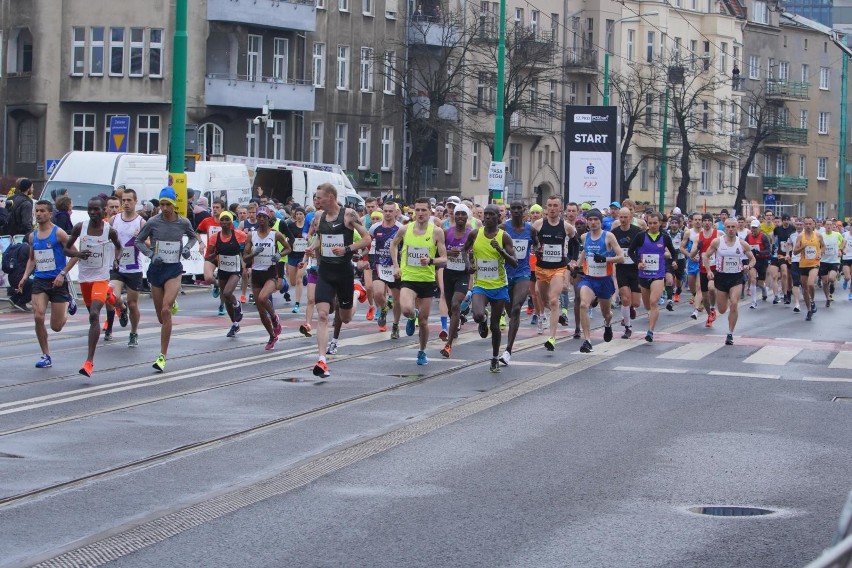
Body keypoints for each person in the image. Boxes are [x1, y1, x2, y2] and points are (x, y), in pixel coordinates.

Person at [306, 184, 372, 377]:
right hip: (325, 272)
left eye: (320, 197)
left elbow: (367, 239)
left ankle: (355, 292)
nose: (317, 201)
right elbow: (320, 238)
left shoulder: (348, 215)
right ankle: (321, 359)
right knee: (323, 315)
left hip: (344, 272)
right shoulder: (319, 217)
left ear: (331, 197)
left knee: (345, 318)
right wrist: (312, 247)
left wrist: (347, 248)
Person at [134, 187, 198, 372]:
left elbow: (193, 238)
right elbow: (139, 241)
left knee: (166, 309)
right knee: (161, 318)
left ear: (174, 204)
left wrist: (186, 249)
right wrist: (150, 254)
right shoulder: (153, 222)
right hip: (156, 270)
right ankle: (171, 301)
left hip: (173, 270)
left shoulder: (183, 222)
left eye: (167, 204)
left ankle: (162, 356)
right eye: (161, 204)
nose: (164, 208)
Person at [19, 200, 81, 368]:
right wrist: (25, 276)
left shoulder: (58, 233)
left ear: (50, 214)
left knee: (56, 327)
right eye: (36, 211)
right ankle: (46, 355)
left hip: (57, 281)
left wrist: (63, 273)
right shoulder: (33, 236)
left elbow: (76, 254)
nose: (38, 214)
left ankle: (69, 301)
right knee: (38, 316)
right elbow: (32, 259)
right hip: (40, 280)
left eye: (42, 211)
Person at [65, 197, 123, 377]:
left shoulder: (109, 231)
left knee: (94, 315)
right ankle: (114, 299)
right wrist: (77, 253)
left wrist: (116, 259)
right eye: (90, 209)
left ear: (103, 210)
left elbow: (119, 248)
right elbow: (66, 249)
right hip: (85, 279)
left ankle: (89, 362)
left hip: (101, 277)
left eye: (96, 209)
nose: (92, 212)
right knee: (95, 313)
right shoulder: (79, 228)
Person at [390, 197, 447, 366]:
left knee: (423, 321)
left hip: (427, 280)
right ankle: (410, 317)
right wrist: (396, 265)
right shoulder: (405, 229)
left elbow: (444, 259)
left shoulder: (436, 232)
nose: (420, 213)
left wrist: (431, 261)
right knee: (407, 309)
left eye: (424, 210)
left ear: (430, 212)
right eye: (418, 210)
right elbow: (393, 245)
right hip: (408, 277)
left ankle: (422, 351)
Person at [464, 204, 518, 372]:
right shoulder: (475, 234)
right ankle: (482, 320)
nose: (487, 217)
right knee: (478, 315)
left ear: (498, 217)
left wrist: (500, 250)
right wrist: (469, 265)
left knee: (495, 326)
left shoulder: (504, 237)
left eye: (491, 215)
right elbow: (464, 250)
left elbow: (514, 262)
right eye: (485, 214)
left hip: (499, 287)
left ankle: (495, 357)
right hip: (481, 284)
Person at [531, 195, 577, 351]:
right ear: (546, 208)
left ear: (560, 208)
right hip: (541, 268)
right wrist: (536, 248)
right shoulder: (538, 225)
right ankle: (555, 315)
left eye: (555, 205)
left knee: (553, 300)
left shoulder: (566, 227)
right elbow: (531, 241)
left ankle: (551, 337)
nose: (552, 208)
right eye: (549, 205)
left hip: (558, 268)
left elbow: (575, 243)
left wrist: (573, 260)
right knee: (543, 300)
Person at [575, 208, 624, 353]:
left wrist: (605, 259)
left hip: (604, 280)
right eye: (590, 220)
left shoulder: (608, 236)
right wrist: (576, 266)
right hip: (589, 279)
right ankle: (587, 340)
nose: (593, 222)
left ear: (600, 222)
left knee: (606, 313)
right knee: (584, 304)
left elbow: (621, 257)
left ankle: (607, 324)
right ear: (587, 222)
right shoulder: (585, 237)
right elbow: (585, 253)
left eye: (596, 220)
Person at [243, 206, 291, 349]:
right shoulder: (251, 236)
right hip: (257, 274)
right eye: (259, 217)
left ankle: (275, 319)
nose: (262, 219)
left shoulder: (275, 234)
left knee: (263, 298)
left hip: (270, 272)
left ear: (268, 218)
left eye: (264, 217)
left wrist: (280, 255)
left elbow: (288, 248)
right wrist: (253, 254)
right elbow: (245, 258)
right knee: (261, 311)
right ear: (256, 219)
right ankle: (272, 336)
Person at [702, 218, 756, 345]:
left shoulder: (742, 243)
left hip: (736, 277)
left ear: (737, 228)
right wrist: (709, 270)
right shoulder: (717, 242)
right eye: (728, 227)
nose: (731, 229)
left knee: (734, 303)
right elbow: (706, 256)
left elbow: (752, 259)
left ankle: (730, 333)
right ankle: (719, 307)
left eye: (733, 227)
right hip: (721, 276)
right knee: (721, 309)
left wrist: (749, 266)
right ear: (724, 228)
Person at [627, 212, 679, 342]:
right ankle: (651, 315)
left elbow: (674, 252)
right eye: (650, 223)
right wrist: (638, 262)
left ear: (660, 223)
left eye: (655, 223)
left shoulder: (665, 237)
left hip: (658, 274)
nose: (653, 225)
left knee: (654, 301)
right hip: (644, 274)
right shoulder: (640, 236)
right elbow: (630, 251)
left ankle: (650, 331)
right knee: (647, 305)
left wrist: (674, 261)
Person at [107, 188, 146, 347]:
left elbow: (150, 243)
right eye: (124, 200)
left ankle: (134, 332)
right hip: (117, 266)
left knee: (133, 304)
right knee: (110, 297)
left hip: (134, 268)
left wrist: (140, 238)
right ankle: (121, 309)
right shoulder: (114, 220)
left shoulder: (141, 222)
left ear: (135, 202)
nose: (126, 203)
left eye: (129, 200)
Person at [498, 200, 535, 365]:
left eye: (519, 208)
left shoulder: (530, 229)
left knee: (516, 308)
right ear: (509, 211)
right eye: (513, 209)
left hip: (523, 273)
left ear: (524, 210)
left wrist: (539, 250)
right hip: (505, 274)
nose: (516, 211)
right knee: (509, 309)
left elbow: (538, 244)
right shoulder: (503, 228)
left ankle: (508, 350)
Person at [205, 210, 248, 338]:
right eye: (222, 220)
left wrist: (249, 256)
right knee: (226, 300)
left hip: (235, 269)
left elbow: (249, 244)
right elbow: (208, 256)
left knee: (227, 293)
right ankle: (235, 324)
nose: (224, 222)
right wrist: (213, 255)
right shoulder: (215, 237)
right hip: (223, 269)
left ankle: (237, 304)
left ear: (231, 222)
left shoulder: (239, 235)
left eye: (227, 220)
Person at [439, 203, 472, 358]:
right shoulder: (446, 233)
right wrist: (447, 253)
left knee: (454, 304)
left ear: (467, 217)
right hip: (448, 273)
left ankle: (448, 344)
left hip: (463, 275)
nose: (459, 216)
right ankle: (457, 321)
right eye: (457, 214)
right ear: (453, 215)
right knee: (451, 309)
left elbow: (476, 252)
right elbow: (439, 252)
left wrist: (470, 259)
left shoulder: (472, 234)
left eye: (463, 214)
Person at [370, 202, 404, 336]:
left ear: (396, 212)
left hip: (395, 267)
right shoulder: (375, 228)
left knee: (397, 300)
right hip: (379, 265)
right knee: (378, 293)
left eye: (391, 211)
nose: (388, 213)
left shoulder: (401, 228)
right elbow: (369, 243)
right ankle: (383, 308)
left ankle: (395, 325)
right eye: (386, 211)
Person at [611, 207, 642, 338]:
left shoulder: (637, 232)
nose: (623, 220)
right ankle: (628, 327)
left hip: (635, 269)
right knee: (624, 298)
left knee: (635, 303)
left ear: (631, 217)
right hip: (622, 268)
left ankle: (630, 309)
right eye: (621, 217)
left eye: (626, 217)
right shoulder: (614, 233)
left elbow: (643, 247)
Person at [792, 216, 825, 321]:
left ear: (813, 225)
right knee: (805, 289)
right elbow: (795, 252)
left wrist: (820, 252)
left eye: (810, 224)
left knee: (811, 284)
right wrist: (802, 247)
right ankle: (809, 310)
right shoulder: (800, 237)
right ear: (804, 225)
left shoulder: (818, 236)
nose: (808, 226)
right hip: (803, 265)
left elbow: (823, 246)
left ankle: (812, 301)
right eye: (806, 224)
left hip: (814, 263)